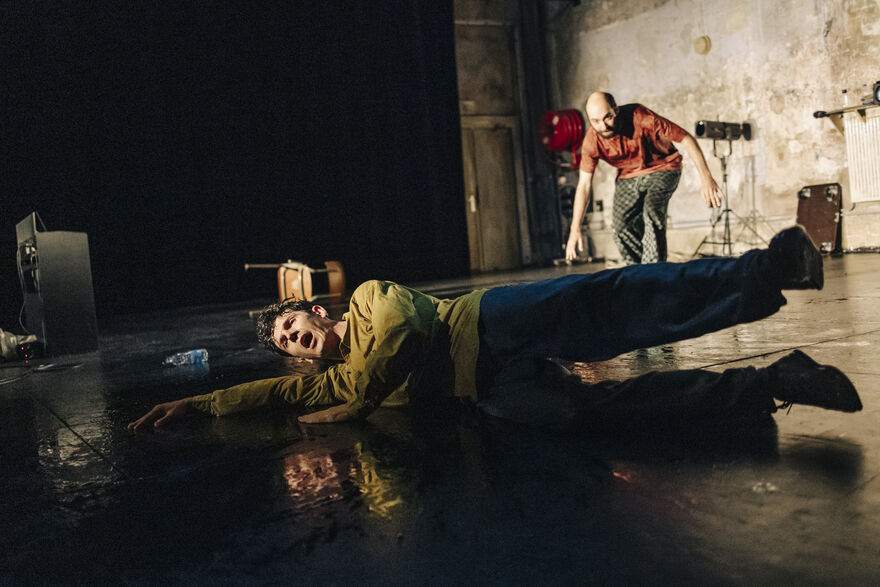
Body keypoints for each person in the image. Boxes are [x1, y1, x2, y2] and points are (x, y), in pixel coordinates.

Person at [129, 226, 862, 432]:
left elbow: (410, 338)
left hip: (487, 322)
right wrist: (195, 403)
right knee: (596, 416)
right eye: (288, 344)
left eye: (294, 324)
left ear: (317, 311)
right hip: (490, 386)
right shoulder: (339, 379)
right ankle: (770, 382)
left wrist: (351, 406)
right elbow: (263, 395)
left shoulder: (371, 301)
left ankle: (764, 272)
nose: (295, 339)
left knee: (609, 303)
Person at [565, 92, 724, 265]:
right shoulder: (592, 141)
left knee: (651, 212)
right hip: (628, 176)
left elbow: (686, 138)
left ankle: (653, 270)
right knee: (621, 227)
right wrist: (575, 229)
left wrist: (706, 178)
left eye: (608, 118)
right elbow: (584, 185)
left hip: (663, 167)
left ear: (616, 110)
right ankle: (638, 272)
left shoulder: (642, 118)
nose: (603, 126)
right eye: (595, 121)